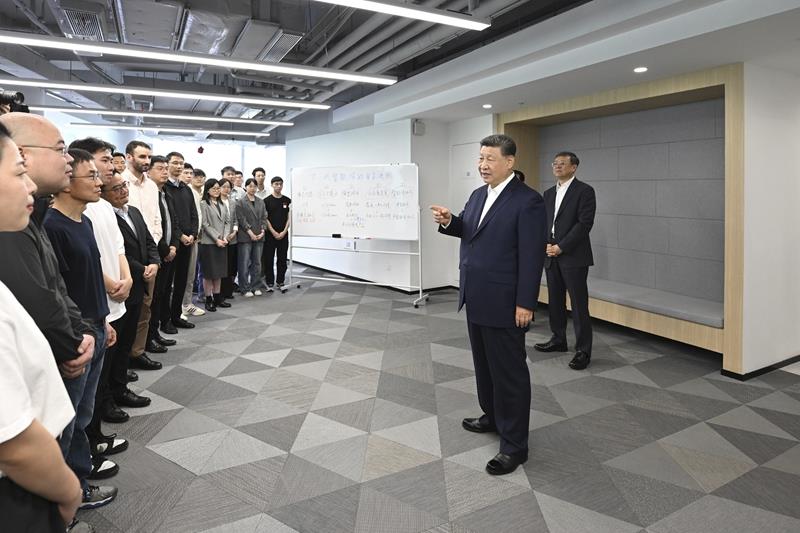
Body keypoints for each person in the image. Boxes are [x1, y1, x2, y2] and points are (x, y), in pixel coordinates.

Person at [0, 114, 106, 525]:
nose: (68, 160)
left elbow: (58, 286)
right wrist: (66, 492)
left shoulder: (31, 218)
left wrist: (83, 329)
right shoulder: (15, 228)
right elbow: (15, 443)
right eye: (18, 172)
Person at [431, 134, 546, 476]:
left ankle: (514, 446)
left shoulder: (528, 201)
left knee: (509, 374)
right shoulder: (478, 194)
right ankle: (493, 416)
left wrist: (525, 302)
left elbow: (532, 257)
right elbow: (471, 230)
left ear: (509, 162)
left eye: (490, 158)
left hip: (506, 302)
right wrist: (450, 221)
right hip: (476, 295)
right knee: (484, 366)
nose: (483, 165)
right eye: (481, 158)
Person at [44, 148, 119, 508]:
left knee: (83, 413)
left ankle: (79, 479)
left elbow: (89, 278)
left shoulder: (83, 222)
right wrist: (79, 334)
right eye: (91, 176)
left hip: (96, 328)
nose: (99, 182)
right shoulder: (52, 227)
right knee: (68, 419)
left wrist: (104, 320)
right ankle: (68, 494)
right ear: (66, 183)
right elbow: (57, 293)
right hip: (75, 337)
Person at [68, 138, 132, 455]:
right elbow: (87, 262)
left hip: (109, 305)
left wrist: (127, 278)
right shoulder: (74, 213)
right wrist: (110, 284)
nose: (110, 166)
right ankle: (89, 446)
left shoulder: (103, 205)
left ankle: (95, 438)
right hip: (93, 306)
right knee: (83, 394)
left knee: (99, 379)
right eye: (104, 161)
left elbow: (117, 248)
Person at [101, 170, 160, 421]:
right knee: (114, 347)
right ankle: (108, 397)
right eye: (116, 188)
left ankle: (120, 388)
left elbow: (148, 241)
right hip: (122, 285)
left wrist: (154, 262)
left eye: (124, 185)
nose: (123, 190)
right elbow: (120, 252)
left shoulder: (133, 211)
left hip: (138, 285)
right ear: (104, 193)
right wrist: (141, 269)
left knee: (126, 342)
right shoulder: (105, 216)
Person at [534, 151, 597, 370]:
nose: (557, 166)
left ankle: (583, 350)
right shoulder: (548, 193)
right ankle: (558, 339)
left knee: (578, 305)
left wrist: (561, 247)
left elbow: (584, 224)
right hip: (550, 254)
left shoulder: (585, 191)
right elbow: (543, 222)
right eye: (555, 163)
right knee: (555, 300)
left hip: (573, 255)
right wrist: (545, 244)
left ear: (574, 167)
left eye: (562, 163)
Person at [123, 142, 165, 369]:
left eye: (149, 156)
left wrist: (153, 251)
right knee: (126, 310)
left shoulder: (151, 186)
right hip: (126, 256)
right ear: (129, 157)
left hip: (150, 253)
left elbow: (156, 219)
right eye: (142, 156)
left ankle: (137, 352)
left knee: (145, 308)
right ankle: (121, 359)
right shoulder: (120, 183)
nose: (147, 161)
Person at [198, 179, 229, 311]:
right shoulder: (204, 204)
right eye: (213, 188)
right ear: (208, 190)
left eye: (218, 188)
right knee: (209, 273)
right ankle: (208, 299)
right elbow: (204, 224)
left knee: (219, 272)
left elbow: (227, 221)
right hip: (209, 242)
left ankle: (217, 297)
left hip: (222, 241)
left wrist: (225, 236)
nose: (216, 191)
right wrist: (217, 238)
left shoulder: (222, 204)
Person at [236, 177, 268, 297]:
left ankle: (256, 286)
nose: (252, 188)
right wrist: (250, 233)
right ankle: (244, 288)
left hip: (259, 236)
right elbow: (241, 219)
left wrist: (263, 231)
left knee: (257, 263)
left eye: (254, 186)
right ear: (246, 187)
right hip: (245, 236)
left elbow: (264, 217)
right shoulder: (240, 202)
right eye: (250, 186)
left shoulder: (261, 201)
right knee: (244, 263)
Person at [263, 176, 291, 293]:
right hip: (270, 235)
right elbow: (265, 218)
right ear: (272, 185)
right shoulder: (266, 201)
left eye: (280, 184)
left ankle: (280, 281)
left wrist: (284, 231)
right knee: (268, 259)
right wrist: (273, 232)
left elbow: (289, 218)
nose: (279, 186)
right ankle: (270, 282)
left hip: (283, 234)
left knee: (282, 259)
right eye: (276, 184)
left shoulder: (287, 200)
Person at [218, 178, 238, 302]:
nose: (226, 189)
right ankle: (219, 293)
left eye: (228, 187)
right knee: (221, 266)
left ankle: (228, 291)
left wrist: (234, 232)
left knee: (230, 265)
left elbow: (235, 219)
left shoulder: (233, 202)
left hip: (232, 238)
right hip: (220, 238)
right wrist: (223, 236)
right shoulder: (215, 201)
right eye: (224, 187)